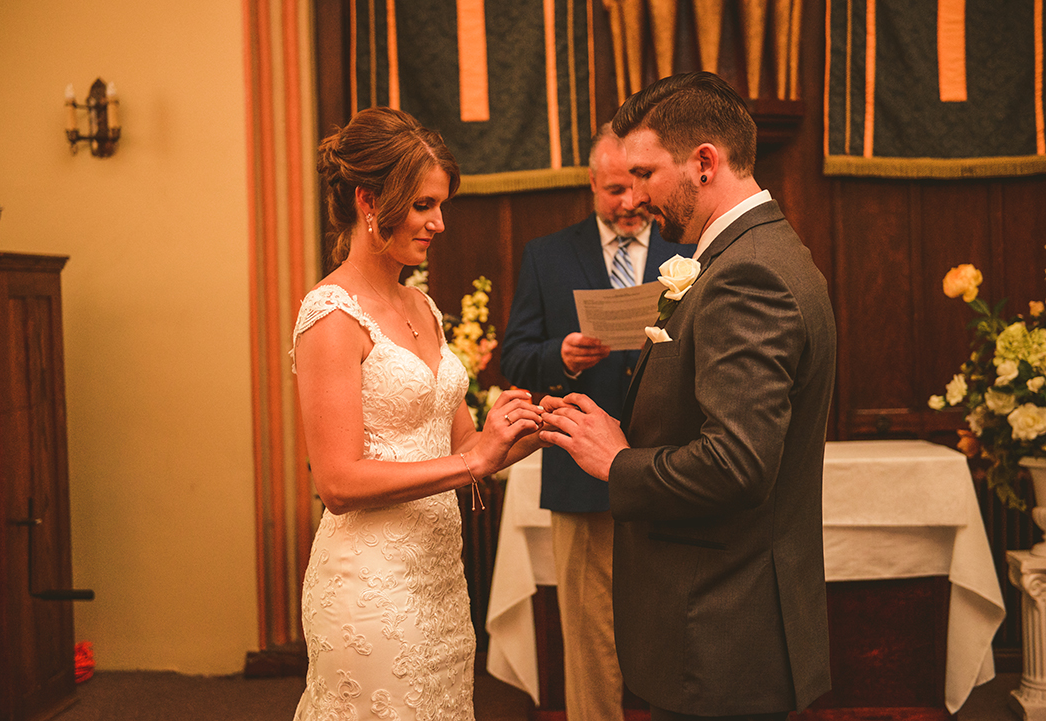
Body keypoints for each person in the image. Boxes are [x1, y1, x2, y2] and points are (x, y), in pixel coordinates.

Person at [539, 72, 837, 721]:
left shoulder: (748, 274)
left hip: (722, 633)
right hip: (720, 627)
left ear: (704, 162)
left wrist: (617, 460)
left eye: (646, 173)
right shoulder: (745, 253)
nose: (636, 197)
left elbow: (736, 463)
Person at [290, 106, 544, 721]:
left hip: (438, 581)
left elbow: (464, 443)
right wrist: (473, 457)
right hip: (369, 588)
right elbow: (338, 482)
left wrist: (528, 430)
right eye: (424, 205)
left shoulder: (422, 306)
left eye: (440, 205)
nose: (440, 222)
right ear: (368, 199)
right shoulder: (330, 315)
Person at [499, 123, 686, 721]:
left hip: (667, 467)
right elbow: (515, 354)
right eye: (613, 190)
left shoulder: (689, 252)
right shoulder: (547, 255)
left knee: (672, 625)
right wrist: (561, 354)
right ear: (590, 185)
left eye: (638, 185)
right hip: (580, 475)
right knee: (590, 635)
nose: (629, 203)